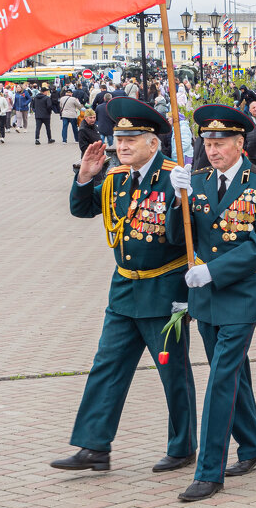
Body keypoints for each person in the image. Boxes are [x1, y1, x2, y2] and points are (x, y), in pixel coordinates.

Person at [50, 97, 197, 476]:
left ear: (154, 142)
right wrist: (85, 176)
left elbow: (182, 237)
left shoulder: (174, 177)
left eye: (131, 139)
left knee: (172, 371)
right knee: (107, 366)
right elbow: (82, 209)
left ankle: (182, 447)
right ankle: (94, 446)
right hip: (124, 291)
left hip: (165, 293)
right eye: (119, 139)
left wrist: (182, 199)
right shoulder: (116, 178)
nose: (122, 146)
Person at [169, 104, 256, 502]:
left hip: (242, 295)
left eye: (220, 143)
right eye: (207, 143)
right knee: (235, 375)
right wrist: (176, 198)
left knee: (220, 378)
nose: (212, 150)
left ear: (239, 143)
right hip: (205, 296)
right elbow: (176, 236)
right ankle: (254, 446)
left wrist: (213, 272)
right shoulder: (197, 181)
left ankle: (209, 472)